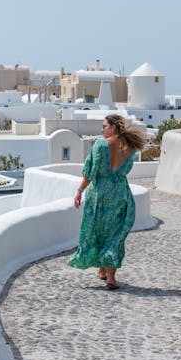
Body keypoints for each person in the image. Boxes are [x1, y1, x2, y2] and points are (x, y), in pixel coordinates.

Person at [67, 114, 147, 289]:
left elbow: (90, 172)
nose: (101, 129)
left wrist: (80, 190)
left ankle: (103, 270)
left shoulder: (100, 145)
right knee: (114, 233)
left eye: (104, 126)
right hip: (119, 192)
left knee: (97, 229)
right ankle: (109, 276)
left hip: (99, 193)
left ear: (113, 127)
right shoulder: (129, 147)